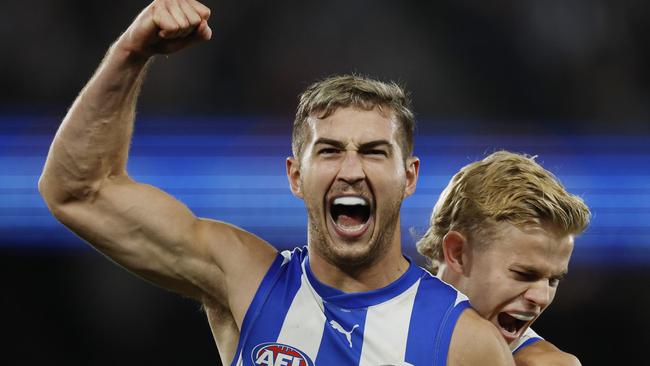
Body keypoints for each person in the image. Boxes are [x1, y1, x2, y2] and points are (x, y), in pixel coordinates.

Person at [38, 0, 515, 365]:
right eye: (329, 150)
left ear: (408, 177)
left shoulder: (463, 341)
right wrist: (131, 53)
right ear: (295, 175)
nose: (351, 170)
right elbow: (78, 190)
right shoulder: (243, 279)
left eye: (373, 151)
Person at [416, 151, 591, 366]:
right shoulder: (372, 324)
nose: (542, 297)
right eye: (524, 274)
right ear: (458, 253)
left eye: (553, 280)